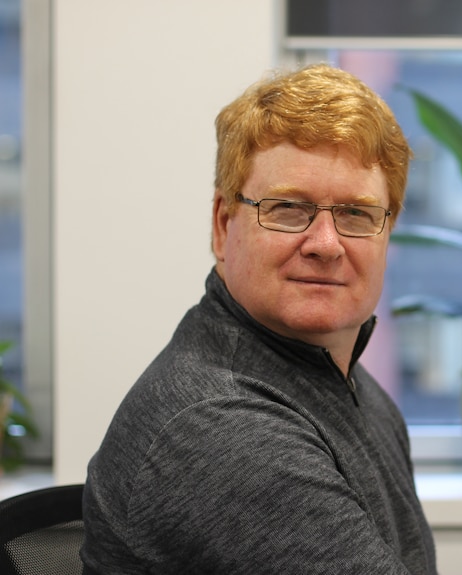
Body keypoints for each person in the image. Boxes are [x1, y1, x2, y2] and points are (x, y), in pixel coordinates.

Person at [81, 64, 437, 575]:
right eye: (289, 208)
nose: (326, 245)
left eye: (357, 214)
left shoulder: (354, 389)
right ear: (224, 227)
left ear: (388, 233)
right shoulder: (220, 426)